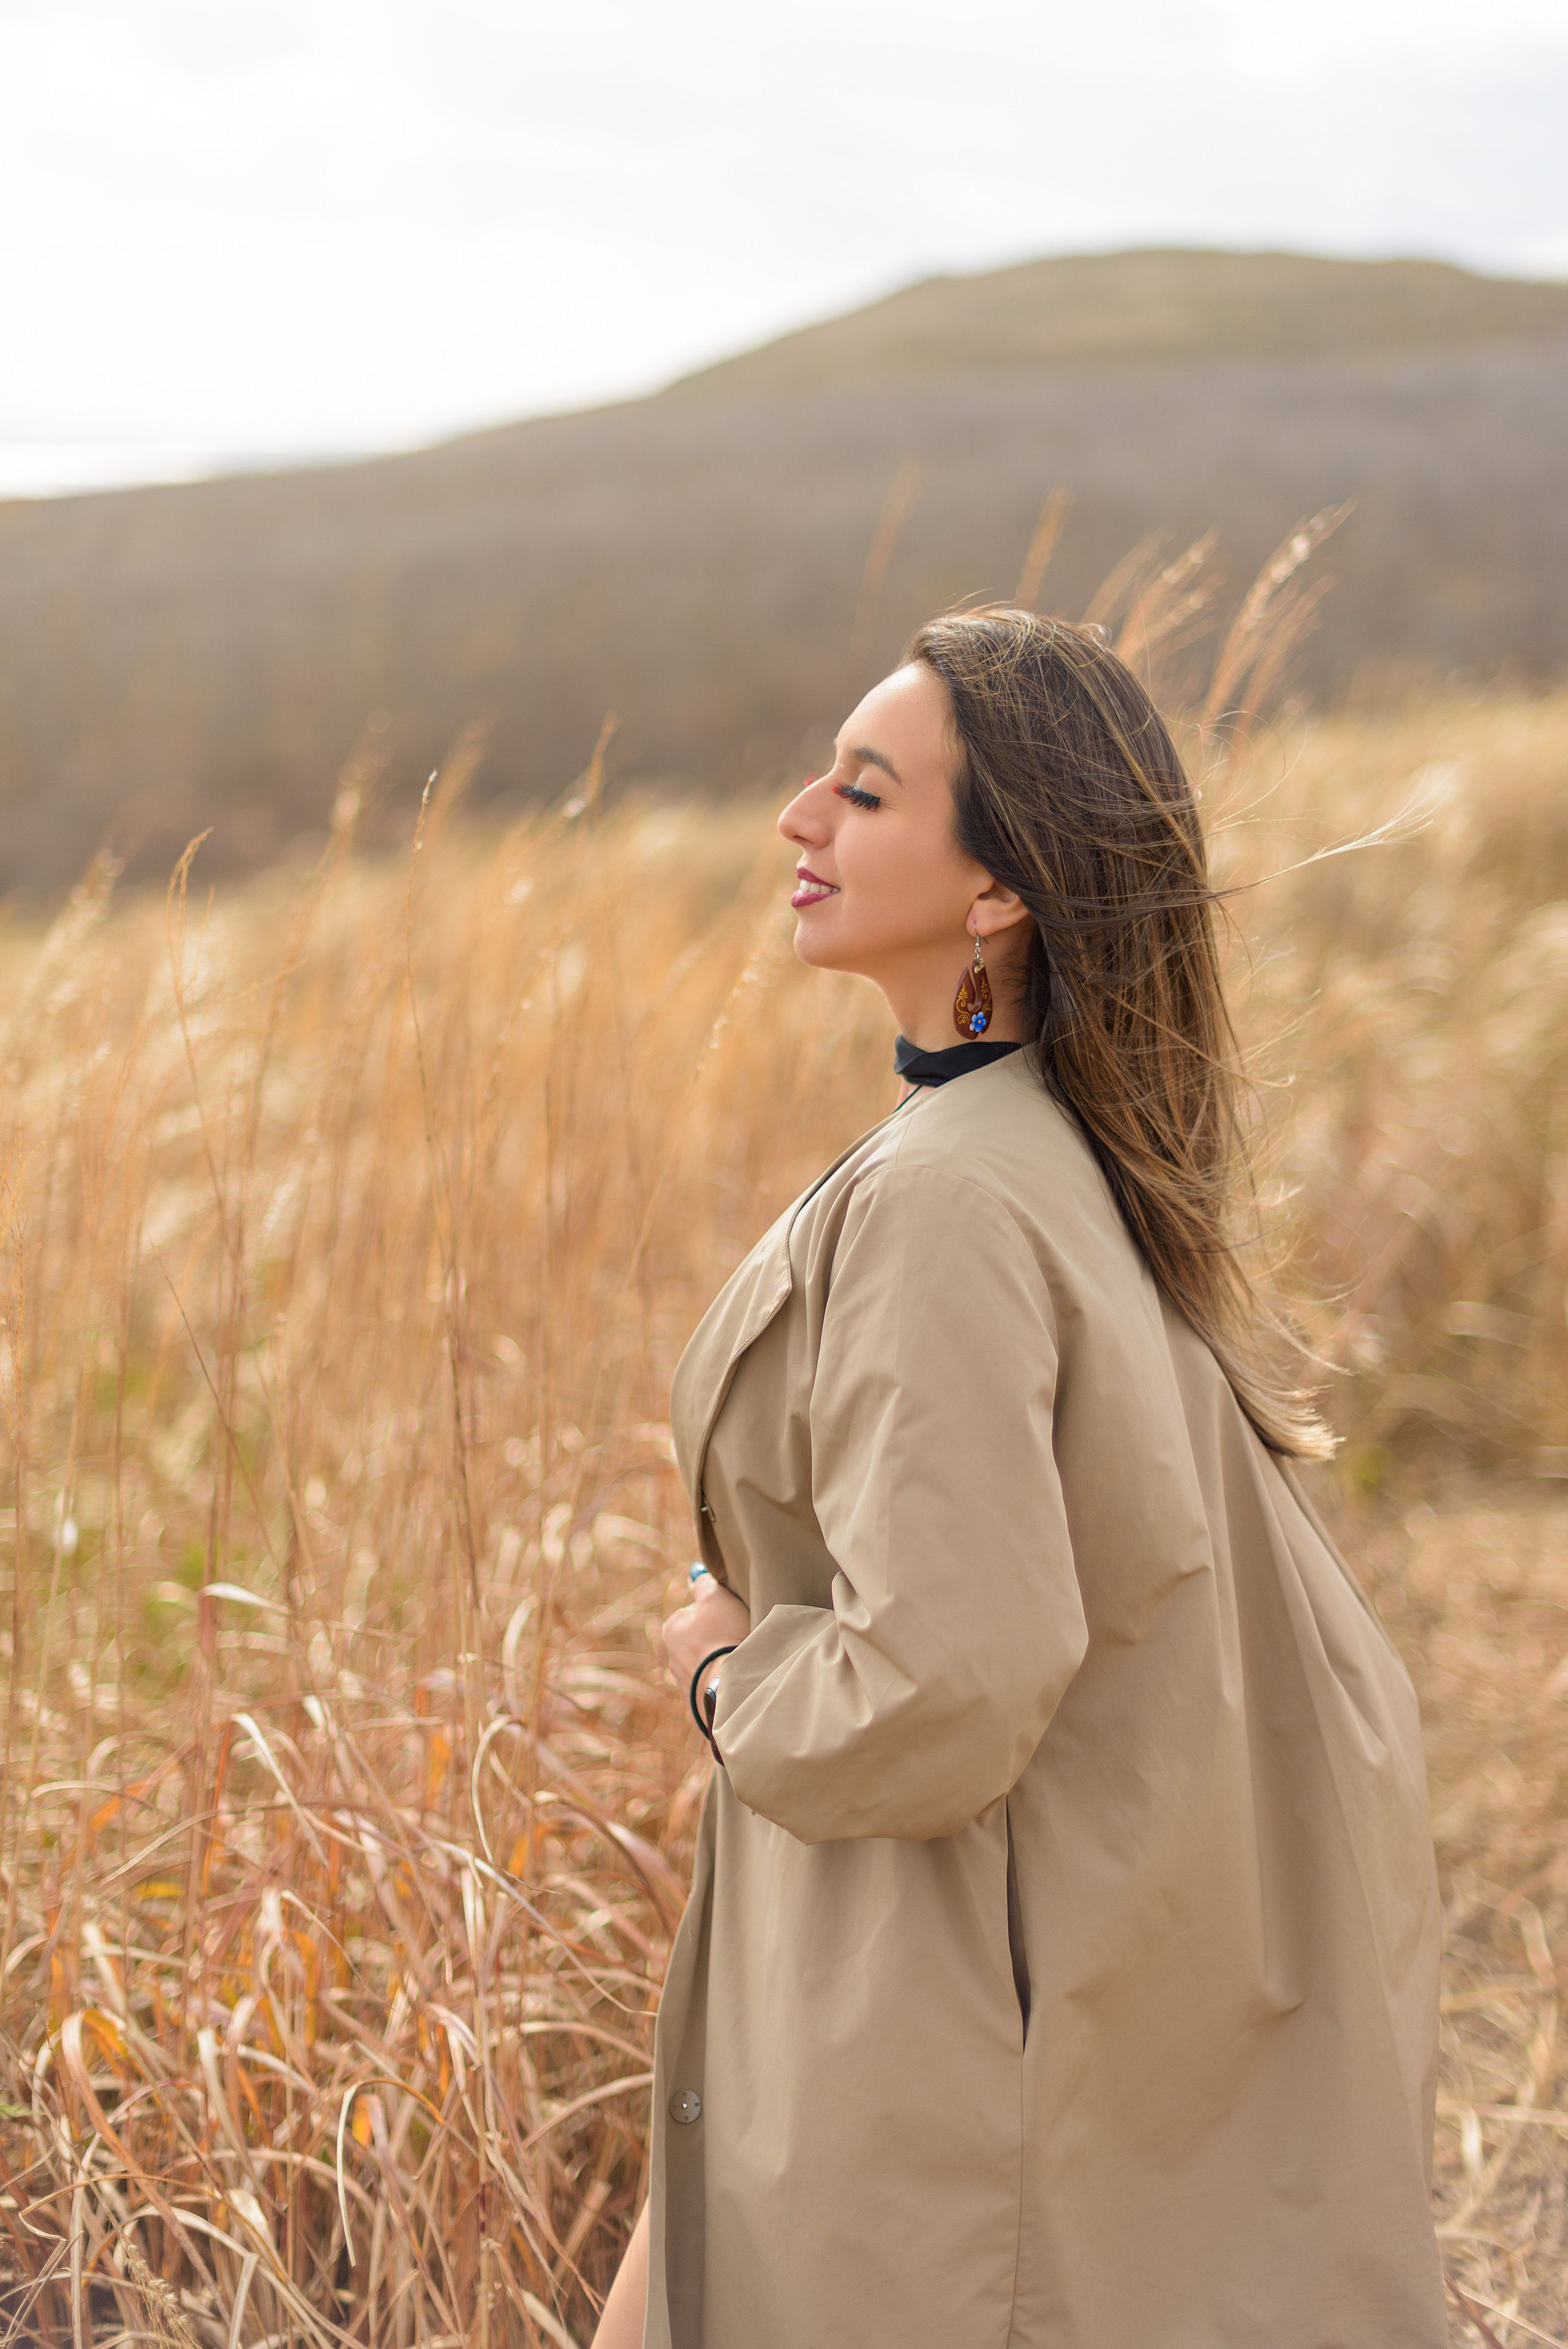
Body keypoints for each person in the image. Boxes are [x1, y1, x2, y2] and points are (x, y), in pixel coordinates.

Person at [591, 610, 1446, 2348]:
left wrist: (725, 1673)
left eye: (865, 791)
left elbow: (949, 1676)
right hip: (1005, 1977)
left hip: (948, 2025)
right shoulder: (1057, 1148)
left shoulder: (954, 1198)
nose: (799, 818)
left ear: (998, 886)